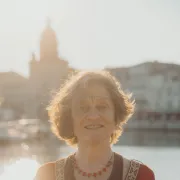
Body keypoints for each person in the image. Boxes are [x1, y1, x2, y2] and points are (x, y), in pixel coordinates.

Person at [35, 70, 155, 180]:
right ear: (69, 118)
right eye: (83, 108)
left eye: (102, 107)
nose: (93, 116)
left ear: (116, 115)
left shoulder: (141, 176)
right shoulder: (47, 175)